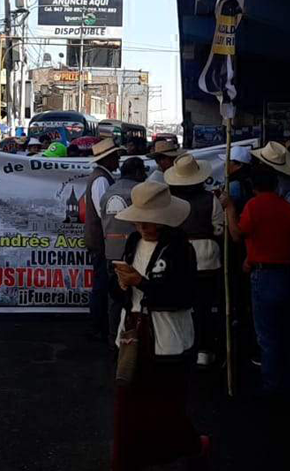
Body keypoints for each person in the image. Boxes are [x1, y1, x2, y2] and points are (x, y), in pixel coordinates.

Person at [109, 181, 207, 471]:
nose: (143, 227)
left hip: (167, 334)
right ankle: (132, 455)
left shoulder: (180, 249)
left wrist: (142, 283)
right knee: (130, 397)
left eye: (149, 221)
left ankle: (183, 447)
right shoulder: (132, 242)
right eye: (139, 221)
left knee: (166, 399)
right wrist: (122, 284)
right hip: (133, 331)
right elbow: (122, 295)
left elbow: (183, 296)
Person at [221, 142, 290, 399]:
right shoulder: (288, 207)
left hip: (264, 276)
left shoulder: (254, 207)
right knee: (285, 333)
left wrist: (230, 209)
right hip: (288, 274)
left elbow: (237, 234)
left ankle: (271, 387)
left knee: (267, 336)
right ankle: (288, 383)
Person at [164, 154, 225, 369]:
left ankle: (183, 345)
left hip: (179, 259)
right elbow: (219, 229)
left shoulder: (170, 200)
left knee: (182, 306)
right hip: (207, 261)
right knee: (205, 307)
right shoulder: (211, 199)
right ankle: (204, 349)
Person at [100, 157, 148, 342]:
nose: (144, 175)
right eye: (143, 172)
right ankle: (133, 339)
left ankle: (114, 339)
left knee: (114, 298)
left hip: (110, 251)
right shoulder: (138, 192)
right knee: (135, 298)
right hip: (133, 252)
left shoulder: (108, 192)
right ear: (137, 172)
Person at [84, 138, 123, 342]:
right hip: (101, 240)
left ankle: (98, 324)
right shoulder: (101, 179)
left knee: (102, 283)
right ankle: (98, 325)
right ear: (108, 159)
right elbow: (104, 212)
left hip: (100, 238)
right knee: (101, 284)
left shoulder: (102, 177)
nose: (118, 160)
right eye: (115, 156)